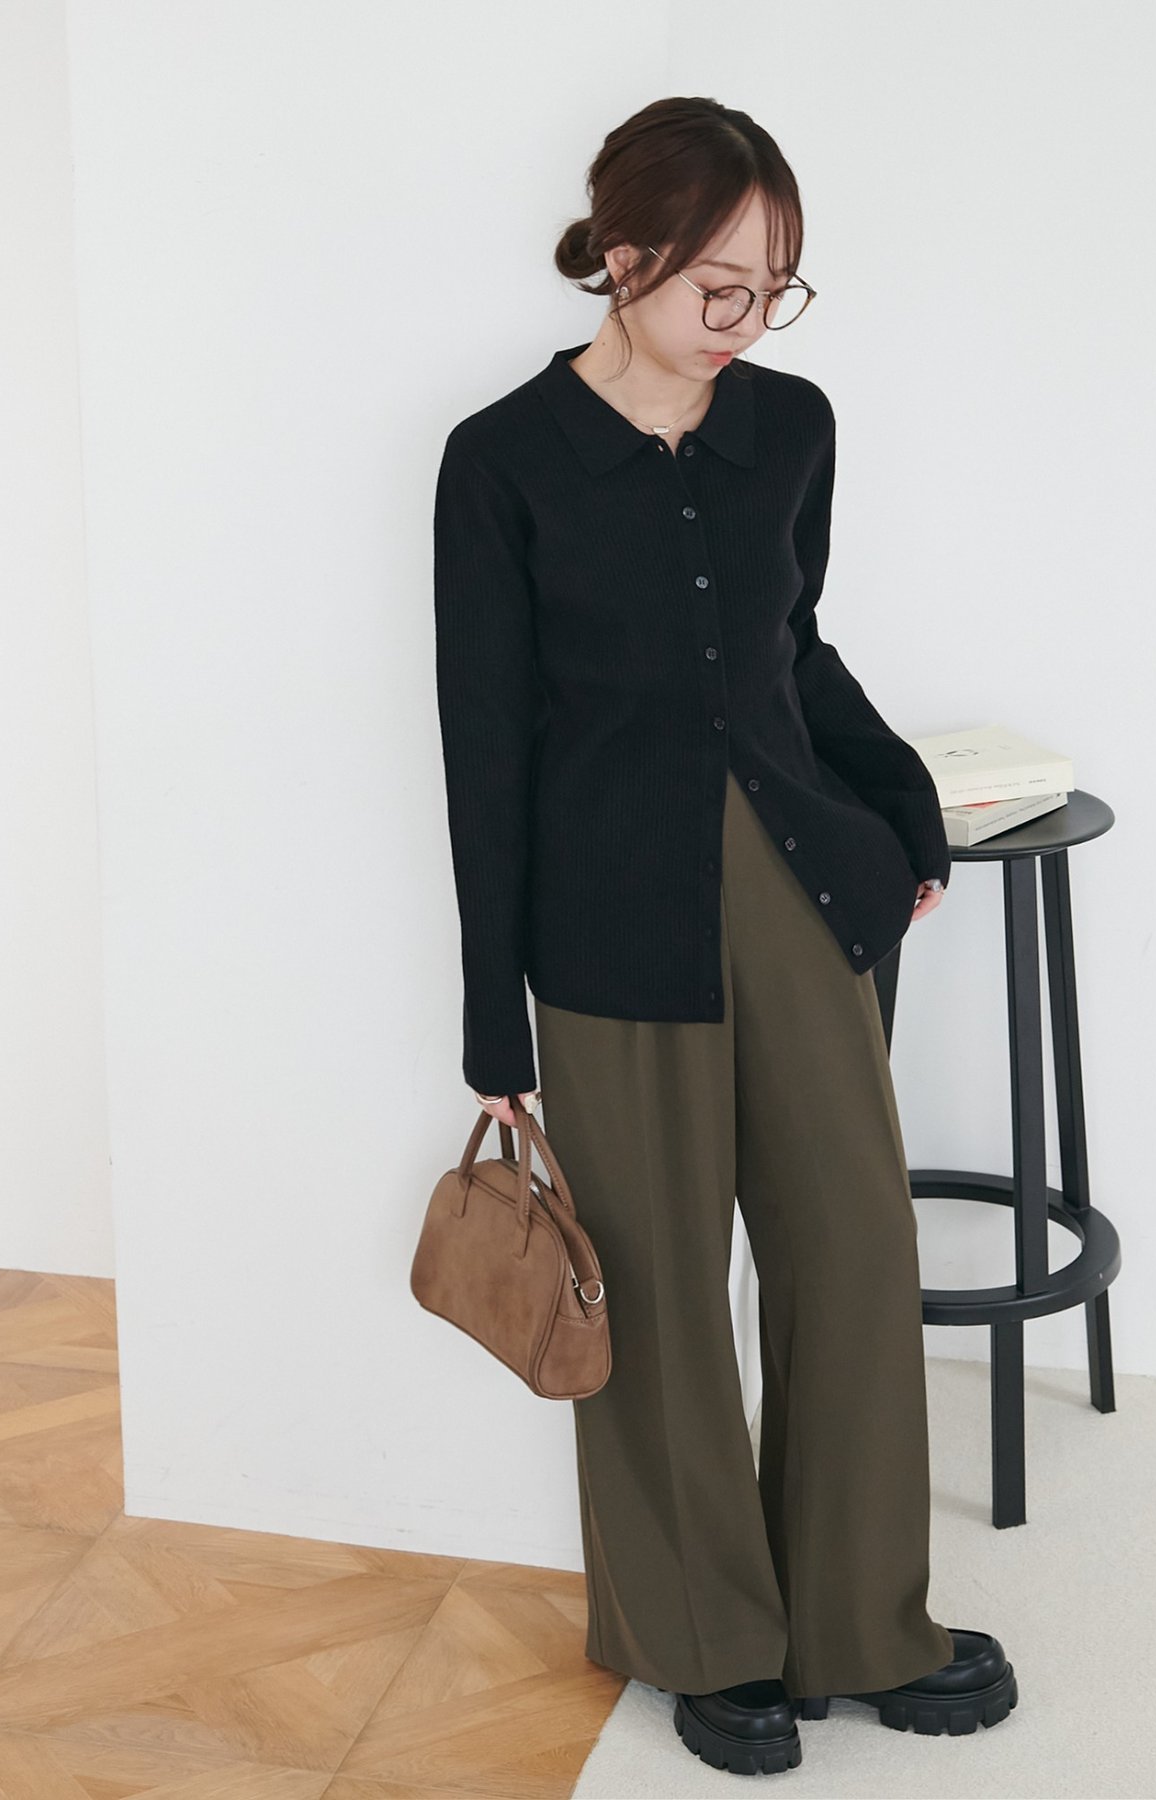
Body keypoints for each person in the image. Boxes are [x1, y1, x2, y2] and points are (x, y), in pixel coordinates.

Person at [431, 97, 1018, 1775]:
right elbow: (486, 748)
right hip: (609, 927)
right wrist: (493, 1024)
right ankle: (707, 1641)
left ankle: (860, 1622)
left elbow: (792, 650)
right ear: (624, 260)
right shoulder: (503, 462)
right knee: (664, 1289)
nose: (748, 322)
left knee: (851, 1252)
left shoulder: (792, 425)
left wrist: (899, 801)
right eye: (719, 289)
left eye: (775, 290)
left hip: (801, 890)